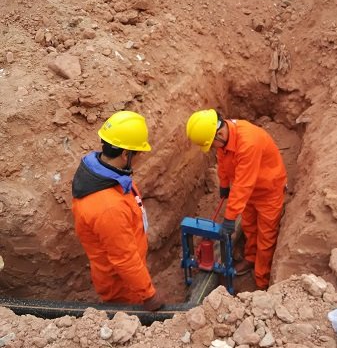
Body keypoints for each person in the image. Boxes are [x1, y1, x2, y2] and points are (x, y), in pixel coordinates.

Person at [71, 110, 164, 311]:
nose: (139, 159)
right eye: (137, 154)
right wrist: (148, 295)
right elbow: (124, 258)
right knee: (129, 325)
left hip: (129, 273)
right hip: (123, 286)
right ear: (125, 154)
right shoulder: (107, 207)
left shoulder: (108, 175)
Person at [186, 109, 287, 290]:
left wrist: (230, 217)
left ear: (219, 134)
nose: (213, 148)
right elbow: (224, 162)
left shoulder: (248, 143)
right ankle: (250, 259)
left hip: (267, 191)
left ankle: (261, 281)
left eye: (212, 145)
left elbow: (243, 185)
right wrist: (224, 183)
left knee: (266, 237)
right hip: (249, 193)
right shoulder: (225, 141)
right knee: (249, 226)